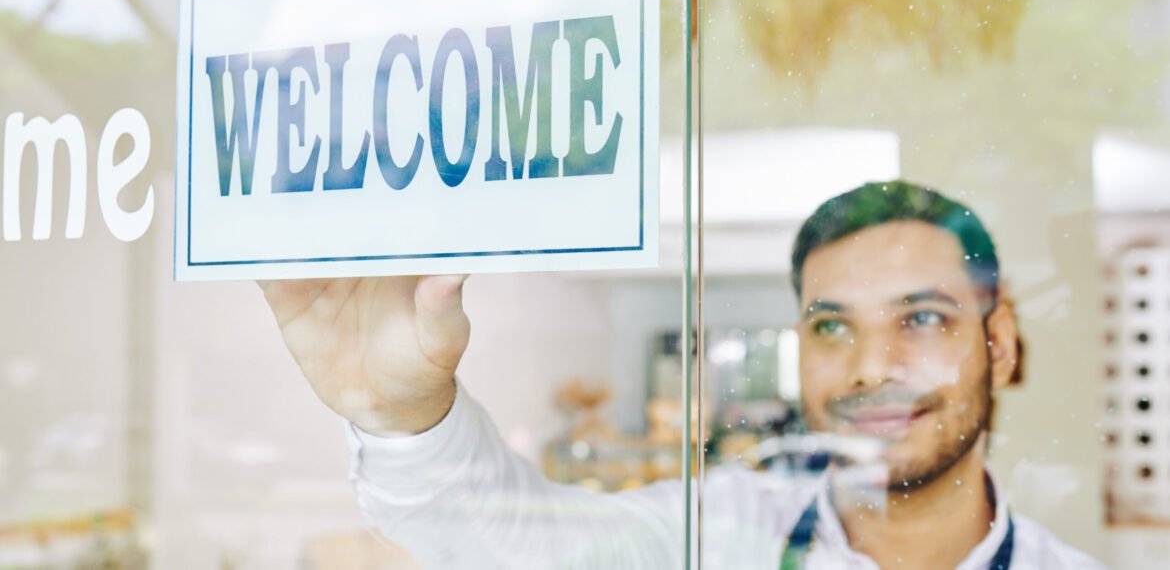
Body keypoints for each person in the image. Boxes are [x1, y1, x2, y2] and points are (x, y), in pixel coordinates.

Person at [261, 181, 1105, 569]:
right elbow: (520, 545)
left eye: (920, 318)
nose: (871, 366)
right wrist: (406, 416)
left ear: (1000, 345)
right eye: (833, 325)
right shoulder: (720, 535)